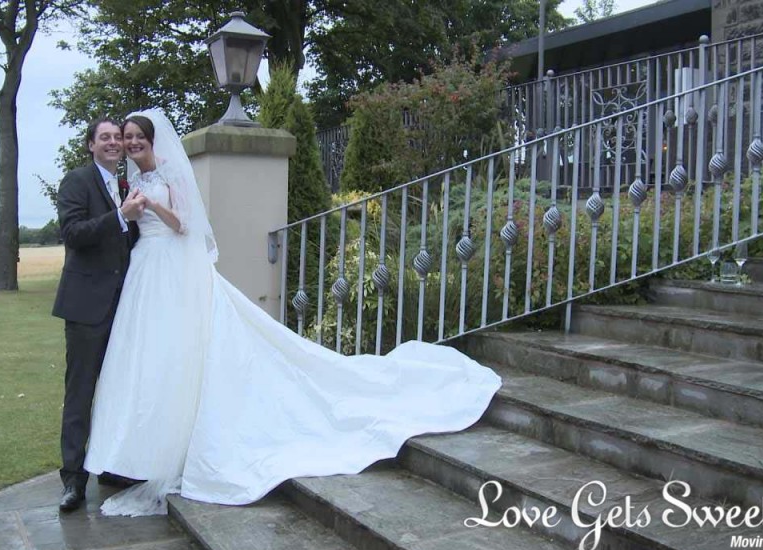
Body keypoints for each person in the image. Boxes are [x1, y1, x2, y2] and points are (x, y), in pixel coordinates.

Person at [82, 109, 502, 516]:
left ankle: (176, 444)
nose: (131, 142)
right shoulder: (132, 177)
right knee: (147, 357)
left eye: (138, 136)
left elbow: (185, 225)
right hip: (144, 269)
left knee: (188, 350)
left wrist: (150, 208)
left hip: (173, 268)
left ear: (152, 140)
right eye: (126, 136)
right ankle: (137, 451)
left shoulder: (171, 173)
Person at [51, 118, 147, 512]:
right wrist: (121, 216)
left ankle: (110, 465)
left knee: (117, 390)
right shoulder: (77, 181)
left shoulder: (125, 185)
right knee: (81, 394)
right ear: (91, 144)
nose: (113, 143)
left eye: (116, 139)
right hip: (87, 308)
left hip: (123, 309)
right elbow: (72, 233)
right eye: (104, 138)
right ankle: (73, 480)